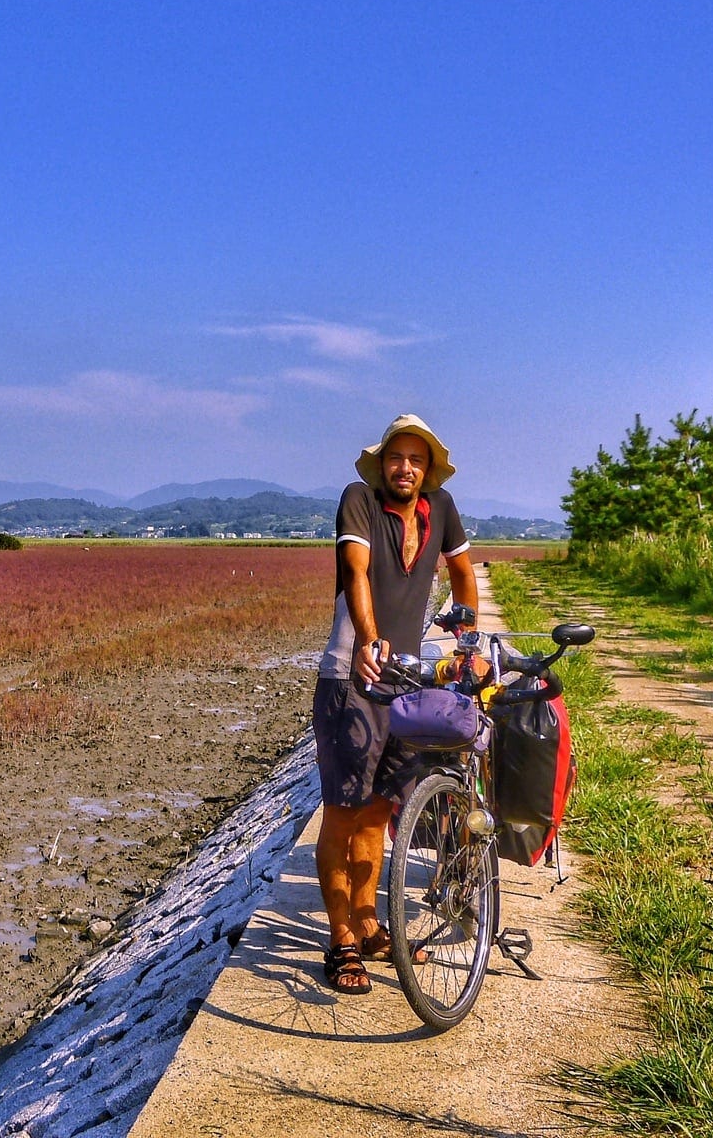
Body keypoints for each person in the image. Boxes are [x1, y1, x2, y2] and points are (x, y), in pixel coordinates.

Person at [312, 414, 478, 994]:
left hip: (404, 682)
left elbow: (462, 573)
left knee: (381, 811)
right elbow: (355, 570)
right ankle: (341, 941)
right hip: (350, 677)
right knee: (343, 810)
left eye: (416, 459)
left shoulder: (442, 509)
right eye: (395, 458)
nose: (404, 468)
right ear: (381, 464)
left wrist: (466, 643)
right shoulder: (358, 500)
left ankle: (369, 922)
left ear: (428, 468)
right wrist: (367, 637)